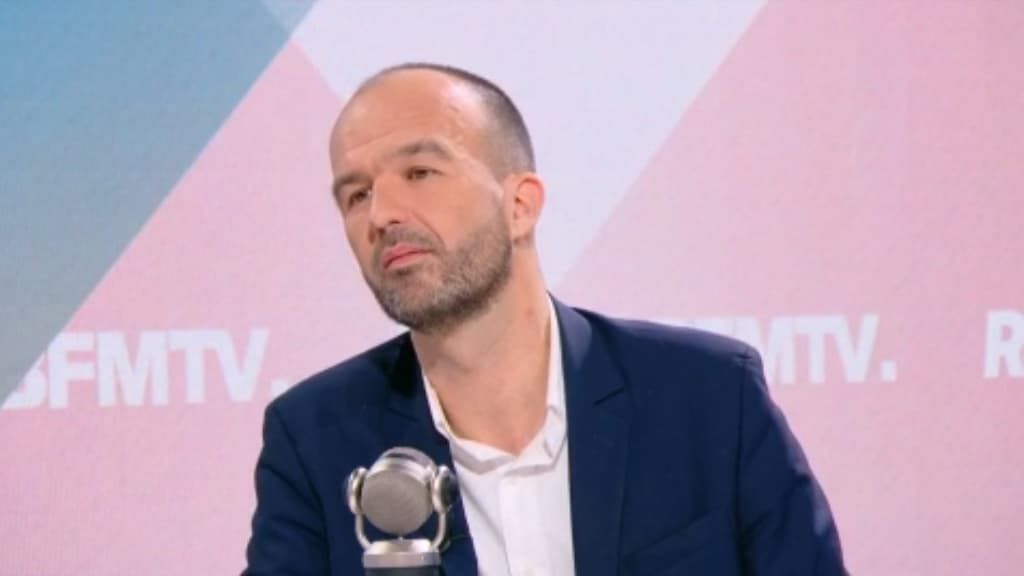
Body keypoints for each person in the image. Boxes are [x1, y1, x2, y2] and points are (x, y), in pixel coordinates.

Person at [243, 62, 846, 575]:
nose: (381, 214)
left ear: (520, 204)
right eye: (356, 195)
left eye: (419, 173)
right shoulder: (314, 440)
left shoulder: (708, 396)